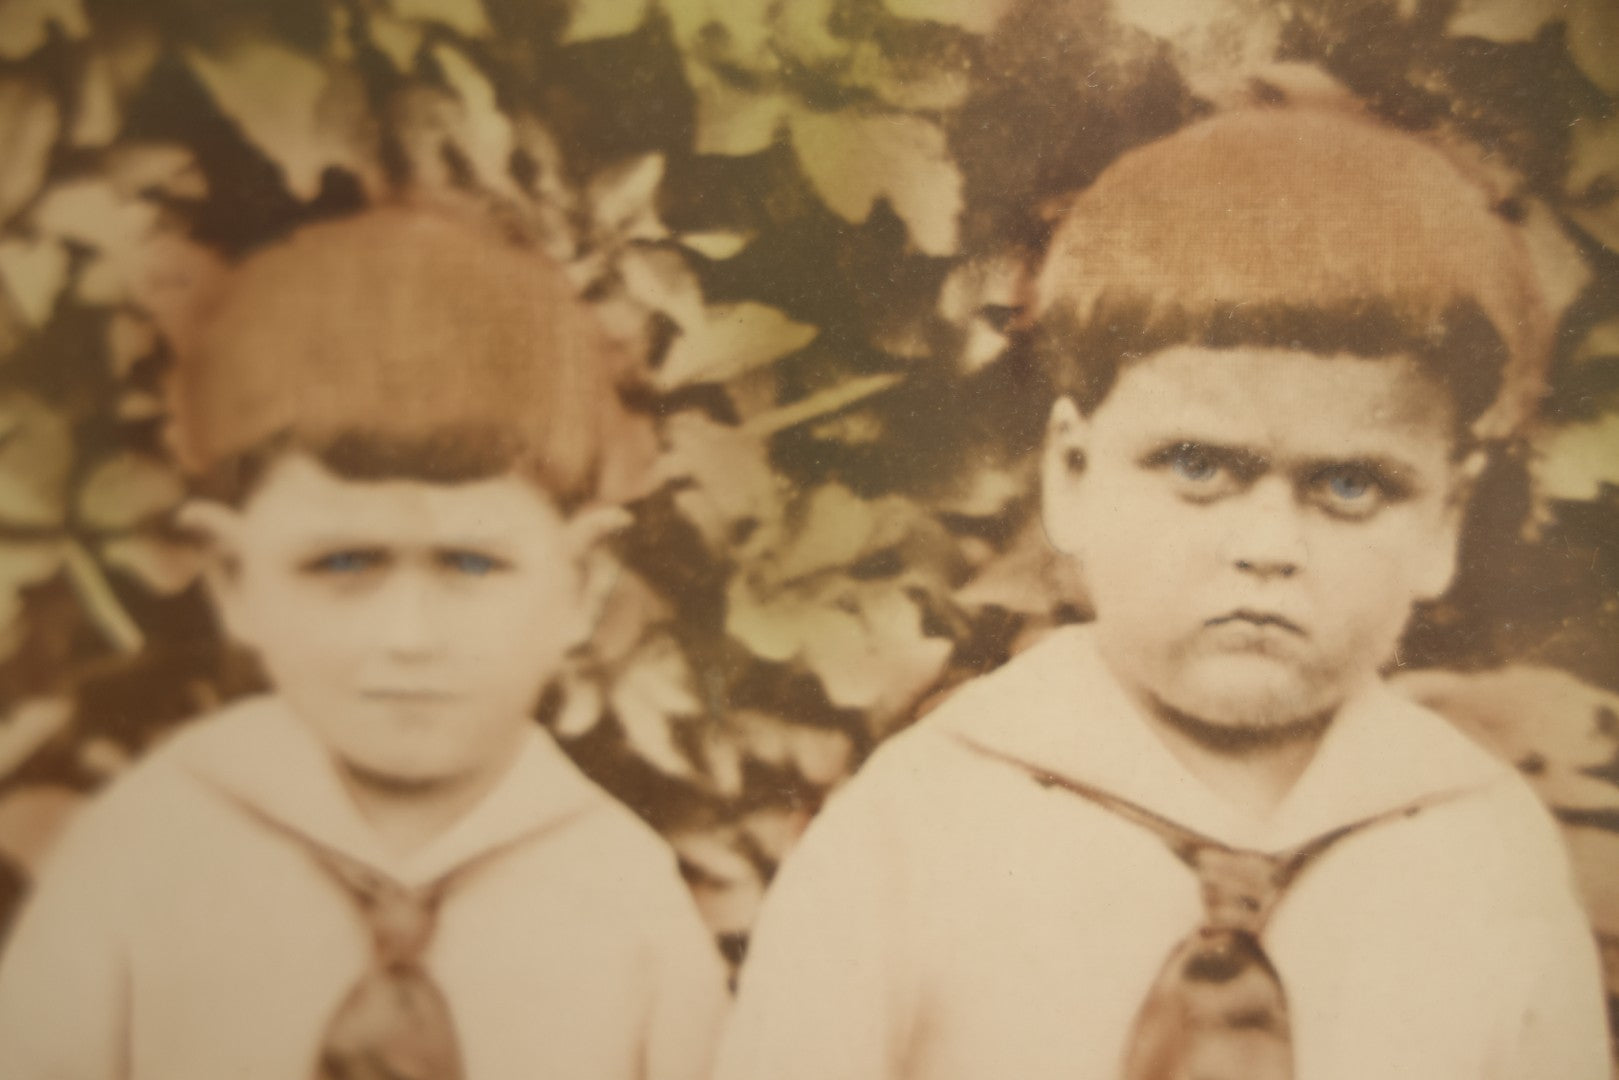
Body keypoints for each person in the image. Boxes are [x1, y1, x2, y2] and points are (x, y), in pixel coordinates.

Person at [713, 102, 1611, 1080]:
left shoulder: (1485, 849)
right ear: (1070, 474)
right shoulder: (913, 826)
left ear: (1442, 522)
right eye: (1196, 465)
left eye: (1351, 485)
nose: (1267, 548)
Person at [0, 206, 729, 1080]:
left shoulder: (623, 895)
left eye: (471, 562)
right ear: (232, 577)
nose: (407, 637)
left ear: (582, 583)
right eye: (342, 562)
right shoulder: (147, 853)